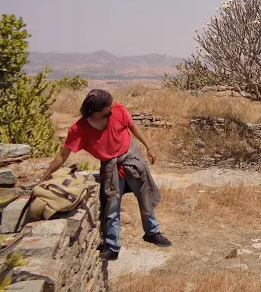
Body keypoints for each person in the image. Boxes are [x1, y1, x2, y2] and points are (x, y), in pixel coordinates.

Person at [42, 89, 172, 261]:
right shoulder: (79, 129)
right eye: (107, 105)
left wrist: (149, 147)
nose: (112, 105)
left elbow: (132, 126)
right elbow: (63, 154)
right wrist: (47, 173)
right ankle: (112, 246)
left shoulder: (118, 110)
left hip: (131, 158)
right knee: (112, 206)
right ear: (96, 112)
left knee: (145, 196)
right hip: (111, 168)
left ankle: (152, 232)